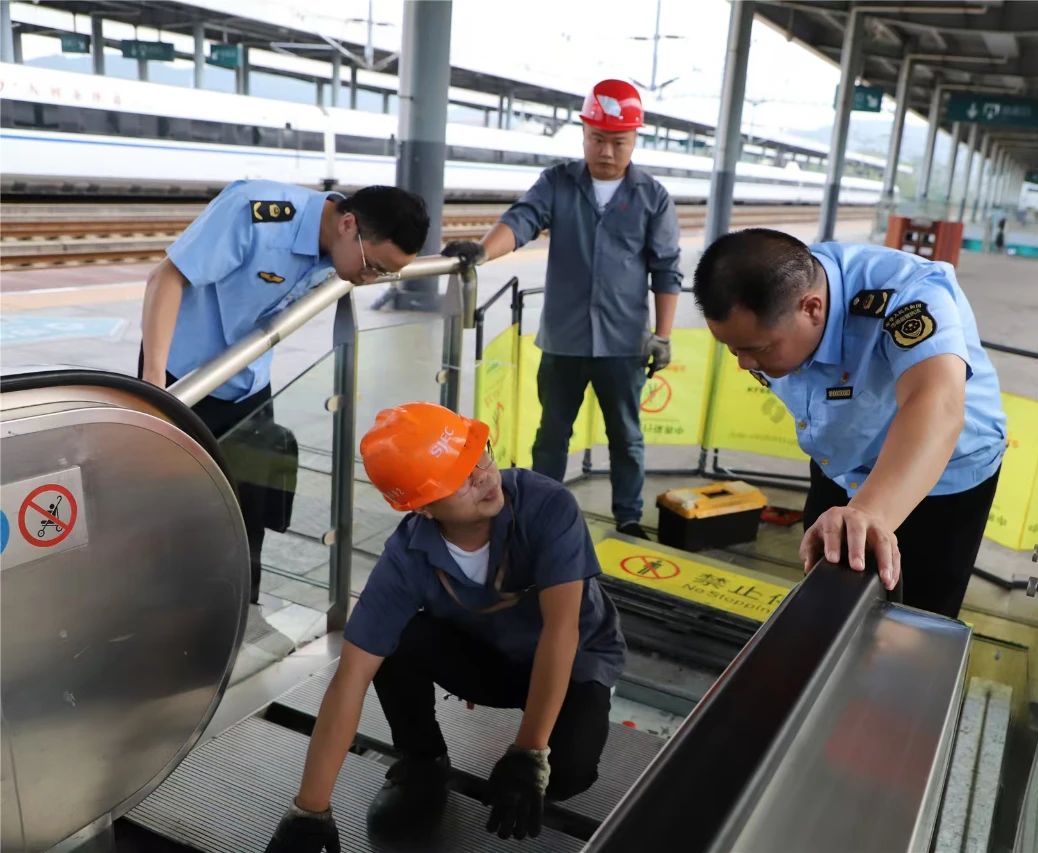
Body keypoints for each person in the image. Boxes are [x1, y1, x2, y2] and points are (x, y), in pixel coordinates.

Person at [265, 403, 625, 851]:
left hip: (572, 664)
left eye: (480, 454)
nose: (483, 476)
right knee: (393, 641)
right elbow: (351, 677)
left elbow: (562, 631)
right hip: (490, 659)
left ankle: (536, 758)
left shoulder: (547, 506)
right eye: (456, 476)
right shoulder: (407, 556)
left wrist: (530, 751)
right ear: (422, 507)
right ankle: (423, 760)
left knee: (568, 773)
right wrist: (310, 807)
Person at [692, 229, 1007, 618]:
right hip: (843, 460)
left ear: (812, 309)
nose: (744, 364)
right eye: (732, 349)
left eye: (758, 349)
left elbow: (937, 405)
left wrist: (870, 513)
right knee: (828, 597)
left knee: (916, 618)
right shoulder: (782, 286)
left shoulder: (907, 294)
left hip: (941, 473)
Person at [139, 180, 428, 603]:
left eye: (384, 274)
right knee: (177, 508)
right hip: (183, 380)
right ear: (348, 224)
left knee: (249, 510)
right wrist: (154, 388)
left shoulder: (340, 248)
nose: (369, 280)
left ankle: (241, 604)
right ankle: (171, 607)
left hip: (249, 381)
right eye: (374, 267)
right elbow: (165, 279)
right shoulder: (255, 215)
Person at [441, 79, 682, 540]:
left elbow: (666, 269)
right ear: (584, 133)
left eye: (618, 142)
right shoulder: (557, 183)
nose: (606, 151)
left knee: (626, 437)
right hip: (563, 340)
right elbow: (522, 220)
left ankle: (628, 517)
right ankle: (539, 511)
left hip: (624, 344)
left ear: (635, 139)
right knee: (551, 434)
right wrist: (483, 251)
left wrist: (663, 336)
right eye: (597, 138)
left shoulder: (653, 197)